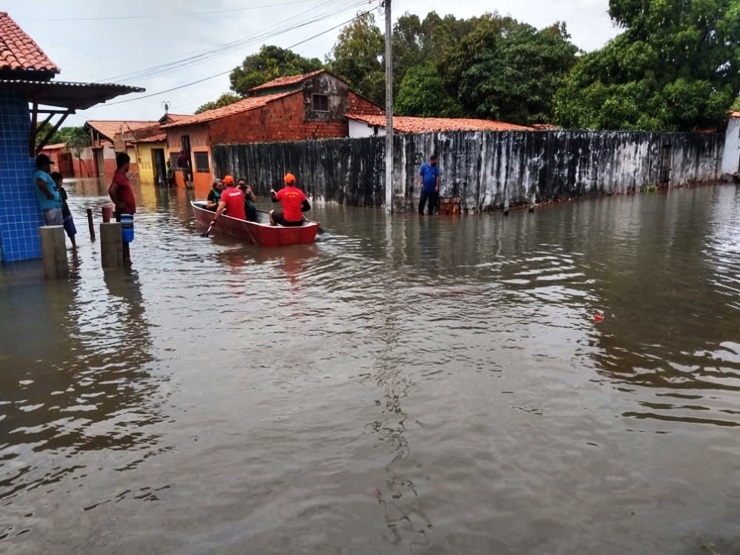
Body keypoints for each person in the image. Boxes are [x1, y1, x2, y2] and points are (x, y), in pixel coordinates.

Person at [108, 152, 136, 264]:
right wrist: (118, 204)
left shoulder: (121, 176)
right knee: (125, 238)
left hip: (127, 212)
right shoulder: (119, 176)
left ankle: (127, 259)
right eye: (128, 163)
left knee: (126, 237)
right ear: (125, 163)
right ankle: (126, 260)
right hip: (124, 212)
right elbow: (111, 190)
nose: (129, 166)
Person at [33, 154, 63, 226]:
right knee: (55, 231)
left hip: (51, 208)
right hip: (51, 208)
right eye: (48, 164)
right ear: (44, 164)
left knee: (55, 231)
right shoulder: (41, 173)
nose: (49, 167)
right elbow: (40, 182)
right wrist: (49, 194)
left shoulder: (39, 174)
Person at [51, 171, 77, 249]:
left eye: (61, 181)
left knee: (71, 231)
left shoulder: (62, 190)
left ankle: (74, 246)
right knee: (59, 232)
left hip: (66, 213)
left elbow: (64, 201)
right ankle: (61, 247)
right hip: (56, 214)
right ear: (54, 181)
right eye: (59, 182)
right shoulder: (51, 191)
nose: (61, 183)